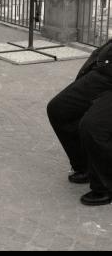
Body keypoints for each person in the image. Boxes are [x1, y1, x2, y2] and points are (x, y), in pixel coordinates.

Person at [47, 39, 112, 206]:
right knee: (59, 109)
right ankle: (85, 166)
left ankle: (105, 186)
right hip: (105, 69)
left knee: (93, 126)